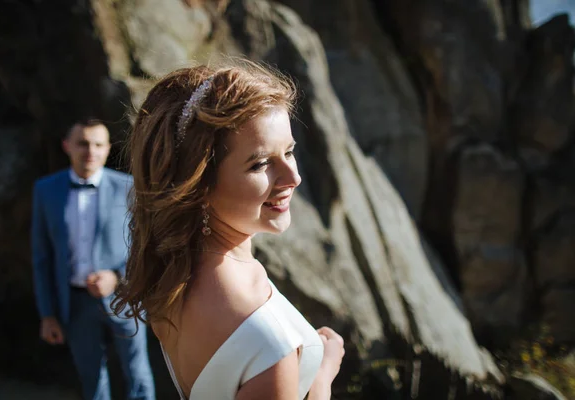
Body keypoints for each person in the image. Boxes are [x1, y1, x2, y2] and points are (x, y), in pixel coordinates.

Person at [111, 61, 345, 400]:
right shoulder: (267, 342)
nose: (293, 178)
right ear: (198, 182)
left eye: (289, 152)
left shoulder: (173, 272)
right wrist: (323, 373)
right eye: (261, 163)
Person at [31, 119, 155, 400]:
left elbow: (146, 246)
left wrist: (117, 276)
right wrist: (47, 314)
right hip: (74, 302)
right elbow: (42, 256)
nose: (91, 151)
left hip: (124, 297)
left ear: (108, 148)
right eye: (83, 143)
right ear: (67, 146)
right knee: (91, 377)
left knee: (138, 373)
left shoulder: (129, 187)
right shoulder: (45, 190)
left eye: (98, 144)